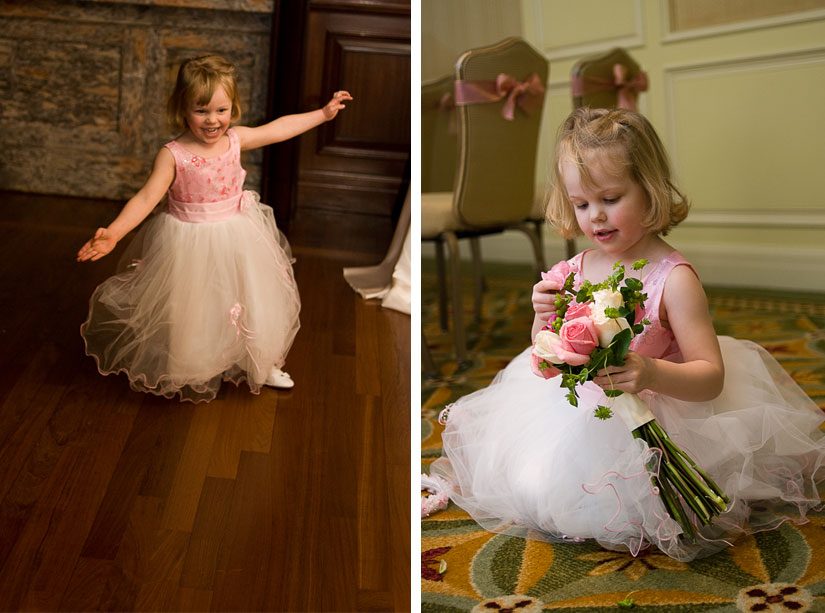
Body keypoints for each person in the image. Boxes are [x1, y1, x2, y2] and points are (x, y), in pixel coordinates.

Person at [428, 107, 825, 561]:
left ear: (649, 189)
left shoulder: (673, 279)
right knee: (533, 484)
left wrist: (651, 371)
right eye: (581, 204)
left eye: (611, 198)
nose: (595, 217)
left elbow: (711, 377)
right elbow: (543, 363)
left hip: (666, 409)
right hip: (577, 413)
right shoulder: (574, 270)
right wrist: (542, 321)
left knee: (652, 505)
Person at [77, 55, 352, 403]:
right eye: (201, 110)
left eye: (221, 111)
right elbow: (147, 197)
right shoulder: (172, 155)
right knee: (195, 305)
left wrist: (323, 114)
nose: (212, 121)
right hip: (188, 241)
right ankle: (196, 363)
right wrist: (114, 232)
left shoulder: (234, 140)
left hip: (238, 234)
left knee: (252, 297)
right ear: (183, 108)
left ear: (233, 108)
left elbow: (277, 129)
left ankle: (261, 362)